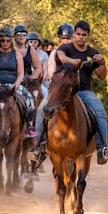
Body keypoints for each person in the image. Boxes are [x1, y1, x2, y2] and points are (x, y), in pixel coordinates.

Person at [56, 20, 108, 165]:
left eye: (84, 35)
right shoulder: (65, 48)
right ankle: (39, 147)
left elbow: (101, 76)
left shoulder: (92, 53)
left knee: (100, 111)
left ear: (88, 36)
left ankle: (102, 148)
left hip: (84, 91)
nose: (81, 37)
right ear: (74, 34)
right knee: (43, 109)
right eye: (78, 34)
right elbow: (61, 57)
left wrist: (102, 63)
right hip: (63, 92)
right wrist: (73, 62)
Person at [27, 23, 74, 162]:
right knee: (41, 110)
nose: (66, 41)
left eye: (68, 38)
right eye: (63, 38)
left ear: (72, 38)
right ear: (60, 38)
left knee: (93, 109)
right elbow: (51, 73)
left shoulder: (76, 52)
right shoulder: (54, 54)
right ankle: (38, 147)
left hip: (74, 89)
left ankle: (97, 144)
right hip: (57, 89)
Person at [13, 24, 41, 137]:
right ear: (14, 36)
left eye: (24, 34)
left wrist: (32, 78)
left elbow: (38, 67)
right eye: (19, 34)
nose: (21, 36)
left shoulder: (31, 50)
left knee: (43, 96)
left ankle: (37, 128)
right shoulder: (9, 49)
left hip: (29, 81)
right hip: (13, 79)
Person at [26, 31, 49, 98]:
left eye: (35, 42)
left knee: (48, 94)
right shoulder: (24, 54)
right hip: (28, 79)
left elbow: (45, 71)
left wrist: (41, 81)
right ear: (27, 42)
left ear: (38, 43)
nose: (33, 43)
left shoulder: (43, 54)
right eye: (31, 41)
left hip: (40, 80)